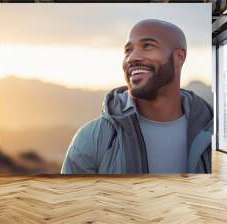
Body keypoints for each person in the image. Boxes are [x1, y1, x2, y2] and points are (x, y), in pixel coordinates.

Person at [61, 19, 213, 174]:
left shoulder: (215, 135)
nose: (132, 58)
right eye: (128, 50)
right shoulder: (92, 138)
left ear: (179, 57)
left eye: (147, 46)